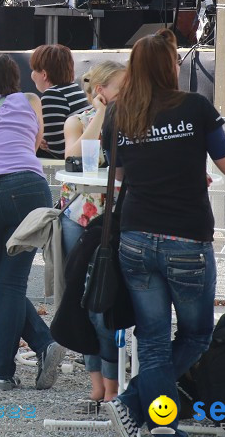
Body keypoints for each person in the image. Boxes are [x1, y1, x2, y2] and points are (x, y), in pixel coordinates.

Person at [103, 29, 225, 437]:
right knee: (196, 334)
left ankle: (148, 413)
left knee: (154, 341)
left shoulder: (117, 113)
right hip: (186, 240)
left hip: (136, 237)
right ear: (167, 67)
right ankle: (139, 405)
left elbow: (123, 175)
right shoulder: (195, 107)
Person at [0, 54, 66, 391]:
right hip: (27, 190)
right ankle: (43, 345)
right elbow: (35, 144)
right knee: (10, 284)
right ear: (14, 78)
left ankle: (3, 370)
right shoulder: (31, 100)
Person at [58, 61, 126, 408]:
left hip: (113, 219)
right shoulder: (78, 120)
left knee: (106, 303)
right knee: (83, 301)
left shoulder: (132, 120)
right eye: (120, 86)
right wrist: (99, 117)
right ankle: (97, 383)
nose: (127, 92)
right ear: (101, 91)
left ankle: (112, 385)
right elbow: (71, 156)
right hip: (80, 218)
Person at [29, 44, 88, 158]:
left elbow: (57, 148)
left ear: (44, 74)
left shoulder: (53, 95)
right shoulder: (75, 88)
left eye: (34, 69)